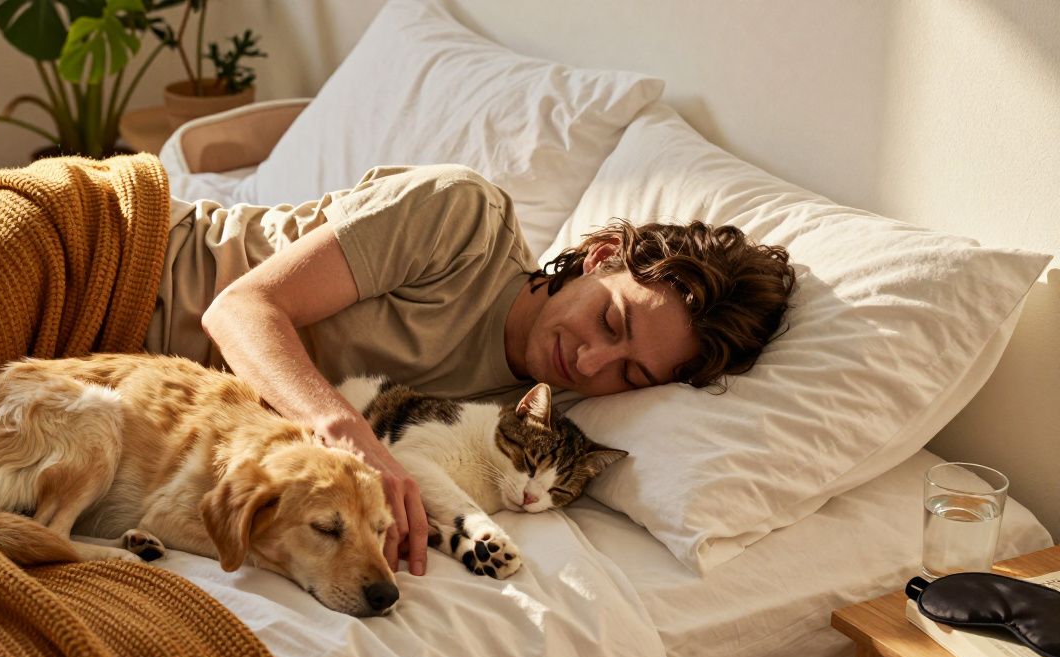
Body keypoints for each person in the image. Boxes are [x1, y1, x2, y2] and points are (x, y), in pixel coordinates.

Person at [147, 163, 796, 577]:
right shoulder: (465, 220)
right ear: (600, 257)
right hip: (124, 260)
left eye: (628, 375)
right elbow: (238, 310)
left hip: (142, 391)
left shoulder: (523, 424)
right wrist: (348, 437)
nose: (591, 361)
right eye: (611, 321)